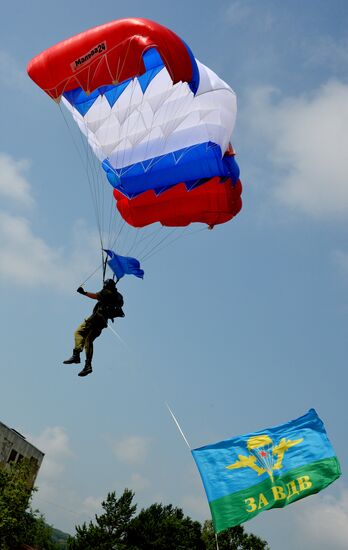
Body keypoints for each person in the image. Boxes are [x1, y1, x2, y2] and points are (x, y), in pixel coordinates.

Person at [63, 279, 124, 377]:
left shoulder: (106, 292)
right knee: (88, 340)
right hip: (103, 322)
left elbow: (96, 296)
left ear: (106, 285)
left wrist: (84, 292)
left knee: (78, 332)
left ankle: (76, 355)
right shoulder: (118, 296)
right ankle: (88, 366)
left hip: (96, 318)